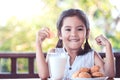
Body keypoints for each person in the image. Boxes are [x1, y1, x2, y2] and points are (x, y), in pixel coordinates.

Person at [36, 9, 115, 80]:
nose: (73, 34)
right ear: (60, 34)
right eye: (68, 29)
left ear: (87, 33)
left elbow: (109, 75)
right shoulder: (54, 53)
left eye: (79, 29)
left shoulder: (91, 55)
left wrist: (108, 46)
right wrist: (38, 43)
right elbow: (43, 75)